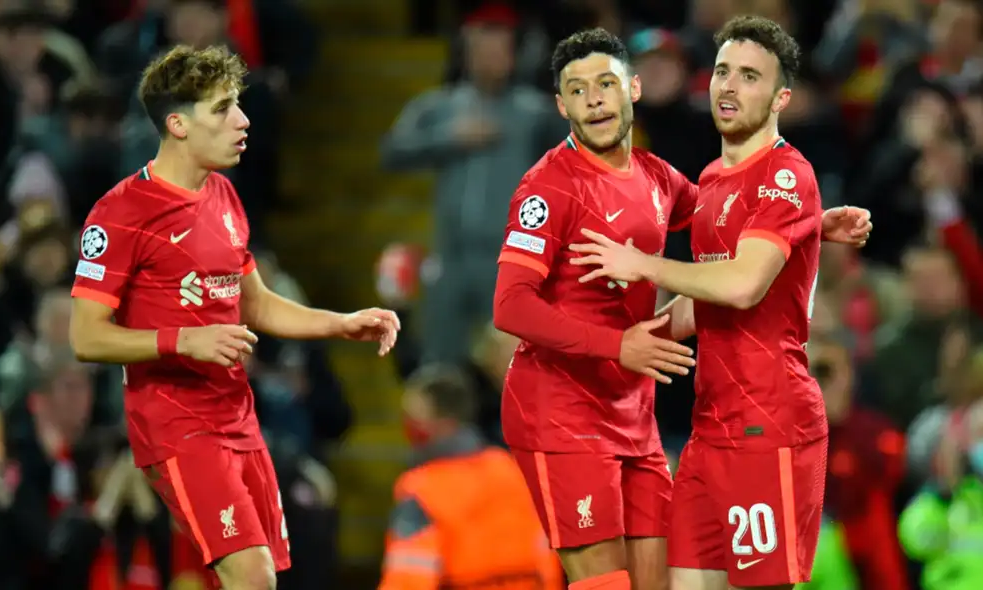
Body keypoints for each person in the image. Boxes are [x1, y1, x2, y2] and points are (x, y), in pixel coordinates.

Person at [493, 27, 871, 590]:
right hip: (566, 414)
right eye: (577, 89)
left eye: (606, 83)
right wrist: (619, 343)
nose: (594, 98)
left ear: (634, 89)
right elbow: (509, 307)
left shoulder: (665, 179)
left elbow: (742, 259)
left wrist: (809, 226)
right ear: (561, 104)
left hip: (683, 417)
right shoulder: (549, 188)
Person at [68, 45, 400, 590]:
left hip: (237, 418)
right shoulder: (121, 213)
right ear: (177, 123)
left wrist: (339, 323)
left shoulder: (223, 194)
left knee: (255, 578)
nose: (244, 121)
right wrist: (185, 342)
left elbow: (257, 303)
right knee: (252, 577)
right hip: (176, 424)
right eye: (222, 109)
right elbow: (86, 336)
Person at [378, 364, 562, 590]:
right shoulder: (512, 470)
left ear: (441, 420)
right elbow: (546, 558)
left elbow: (408, 579)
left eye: (412, 416)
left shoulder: (421, 488)